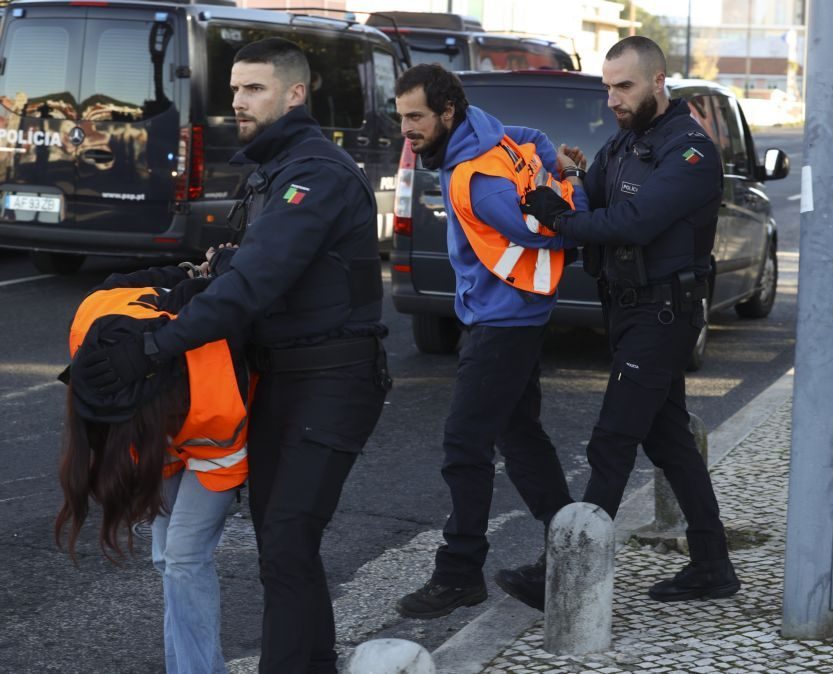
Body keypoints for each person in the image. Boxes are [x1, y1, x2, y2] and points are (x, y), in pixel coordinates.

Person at [74, 38, 390, 671]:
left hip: (331, 381)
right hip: (284, 380)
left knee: (287, 543)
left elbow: (255, 284)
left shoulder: (315, 175)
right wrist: (166, 287)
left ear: (295, 93)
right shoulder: (274, 169)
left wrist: (155, 346)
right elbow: (232, 268)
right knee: (284, 546)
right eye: (236, 89)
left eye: (255, 89)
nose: (238, 102)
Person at [515, 36, 740, 603]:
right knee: (669, 442)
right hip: (628, 305)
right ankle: (713, 565)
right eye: (607, 87)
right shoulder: (624, 142)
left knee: (613, 440)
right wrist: (569, 180)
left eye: (625, 86)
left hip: (664, 311)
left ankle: (562, 575)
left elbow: (634, 221)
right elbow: (592, 198)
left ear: (659, 82)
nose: (612, 98)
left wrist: (562, 220)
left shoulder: (690, 150)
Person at [392, 63, 587, 618]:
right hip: (514, 316)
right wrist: (554, 163)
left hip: (502, 323)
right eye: (401, 116)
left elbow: (539, 229)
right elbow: (535, 139)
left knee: (465, 446)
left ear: (446, 113)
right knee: (521, 437)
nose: (406, 129)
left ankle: (459, 573)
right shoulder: (489, 130)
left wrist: (566, 185)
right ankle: (572, 547)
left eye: (416, 117)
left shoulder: (473, 177)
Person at [56, 263, 249, 674]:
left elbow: (223, 459)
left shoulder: (216, 396)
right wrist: (185, 270)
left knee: (183, 557)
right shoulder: (89, 328)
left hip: (212, 421)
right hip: (160, 412)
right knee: (166, 557)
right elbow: (121, 282)